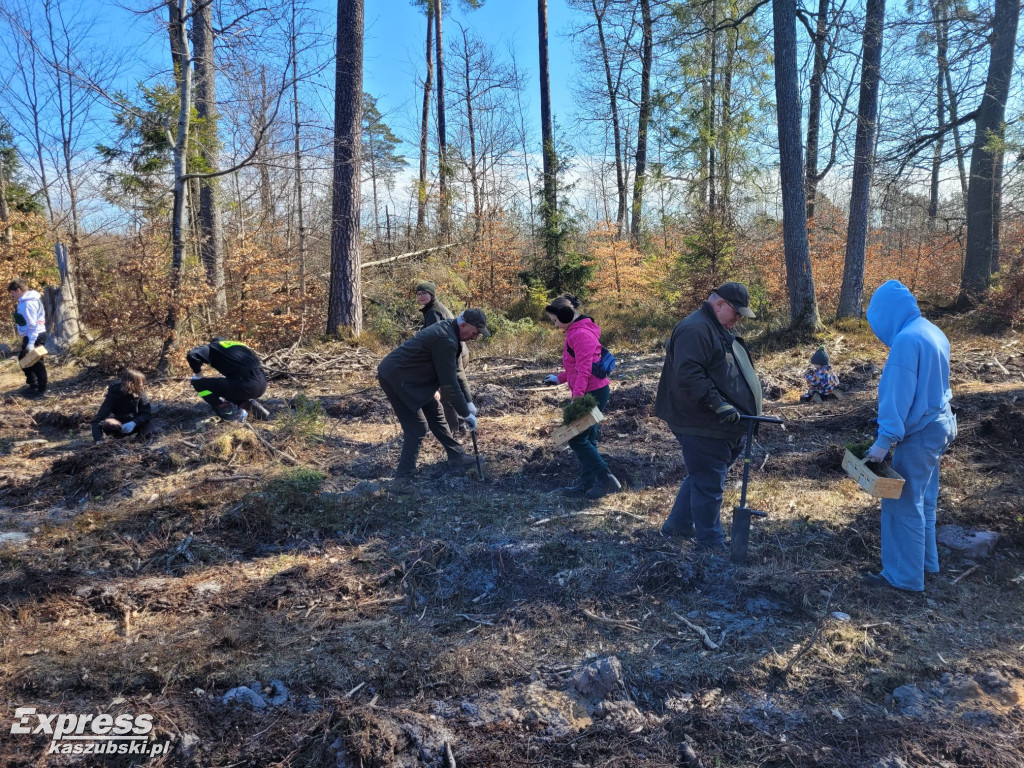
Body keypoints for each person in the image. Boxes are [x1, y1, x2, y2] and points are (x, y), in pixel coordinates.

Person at [862, 280, 956, 592]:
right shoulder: (932, 331)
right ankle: (927, 563)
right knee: (924, 500)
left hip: (920, 433)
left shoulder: (906, 341)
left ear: (887, 314)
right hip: (940, 425)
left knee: (902, 504)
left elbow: (897, 395)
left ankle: (903, 577)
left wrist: (883, 441)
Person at [654, 282, 762, 550]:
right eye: (736, 313)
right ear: (720, 304)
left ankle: (678, 525)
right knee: (709, 482)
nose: (738, 319)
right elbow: (688, 374)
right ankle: (710, 544)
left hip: (717, 422)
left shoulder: (713, 327)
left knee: (704, 474)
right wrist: (719, 404)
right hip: (701, 421)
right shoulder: (696, 329)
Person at [378, 308, 488, 491]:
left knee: (435, 411)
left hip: (413, 378)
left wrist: (468, 402)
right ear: (464, 325)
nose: (475, 337)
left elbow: (458, 373)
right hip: (397, 377)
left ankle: (456, 456)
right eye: (475, 332)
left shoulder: (452, 334)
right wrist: (464, 414)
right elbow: (449, 385)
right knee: (417, 427)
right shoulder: (445, 339)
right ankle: (402, 480)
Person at [542, 295, 621, 500]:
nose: (555, 324)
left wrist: (577, 397)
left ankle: (605, 479)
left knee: (575, 438)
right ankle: (588, 482)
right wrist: (558, 378)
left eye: (555, 320)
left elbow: (585, 370)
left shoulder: (580, 335)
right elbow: (576, 367)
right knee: (588, 437)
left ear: (565, 315)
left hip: (591, 395)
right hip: (593, 392)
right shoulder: (577, 331)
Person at [415, 280, 462, 434]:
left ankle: (453, 430)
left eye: (424, 293)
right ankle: (456, 424)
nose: (421, 296)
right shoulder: (433, 308)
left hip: (451, 355)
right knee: (448, 392)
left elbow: (435, 340)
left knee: (445, 395)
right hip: (455, 353)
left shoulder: (434, 311)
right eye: (419, 294)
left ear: (432, 294)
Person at [186, 337, 269, 422]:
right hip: (262, 383)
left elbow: (192, 355)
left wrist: (199, 375)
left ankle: (225, 410)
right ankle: (246, 405)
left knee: (197, 383)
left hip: (246, 385)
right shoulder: (239, 346)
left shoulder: (214, 346)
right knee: (228, 386)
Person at [92, 369, 157, 442]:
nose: (141, 386)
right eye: (139, 384)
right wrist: (98, 440)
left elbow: (146, 413)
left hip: (136, 423)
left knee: (150, 430)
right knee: (108, 423)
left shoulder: (141, 391)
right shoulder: (114, 393)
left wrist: (134, 423)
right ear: (130, 384)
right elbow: (98, 419)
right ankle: (118, 438)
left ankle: (139, 440)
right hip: (119, 426)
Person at [8, 278, 48, 397]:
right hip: (32, 335)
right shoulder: (27, 300)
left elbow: (33, 324)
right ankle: (33, 385)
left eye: (13, 293)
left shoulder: (27, 303)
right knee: (23, 360)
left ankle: (41, 390)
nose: (12, 296)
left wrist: (31, 342)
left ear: (18, 290)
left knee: (36, 362)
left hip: (35, 336)